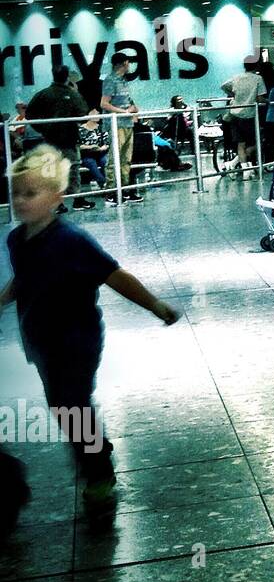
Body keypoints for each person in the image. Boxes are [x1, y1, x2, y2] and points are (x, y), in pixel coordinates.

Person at [1, 146, 180, 516]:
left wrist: (155, 305)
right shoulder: (16, 240)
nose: (20, 201)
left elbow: (115, 276)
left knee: (73, 405)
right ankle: (94, 447)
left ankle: (99, 470)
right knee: (62, 407)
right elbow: (25, 279)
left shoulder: (72, 240)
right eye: (16, 192)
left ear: (57, 198)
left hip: (76, 340)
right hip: (41, 341)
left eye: (31, 193)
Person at [26, 65, 92, 211]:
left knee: (53, 171)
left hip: (50, 139)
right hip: (69, 138)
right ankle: (77, 199)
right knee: (73, 169)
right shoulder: (72, 94)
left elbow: (30, 114)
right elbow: (83, 113)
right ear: (67, 76)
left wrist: (43, 128)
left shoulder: (43, 94)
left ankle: (57, 203)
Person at [99, 53, 142, 205]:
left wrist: (133, 109)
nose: (129, 65)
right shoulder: (110, 80)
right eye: (128, 62)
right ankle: (111, 192)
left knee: (126, 159)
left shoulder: (123, 81)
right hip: (117, 125)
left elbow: (127, 102)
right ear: (124, 63)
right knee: (114, 159)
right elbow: (104, 104)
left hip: (128, 123)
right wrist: (124, 112)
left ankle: (124, 189)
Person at [221, 60, 267, 173]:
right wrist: (268, 101)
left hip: (235, 115)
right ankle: (237, 164)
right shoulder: (258, 79)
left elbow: (223, 86)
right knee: (257, 142)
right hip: (249, 115)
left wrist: (234, 95)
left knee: (240, 144)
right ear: (256, 66)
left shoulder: (237, 77)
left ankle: (244, 170)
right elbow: (260, 98)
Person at [78, 111, 110, 189]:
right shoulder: (80, 129)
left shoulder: (102, 127)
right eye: (94, 113)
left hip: (101, 153)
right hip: (86, 154)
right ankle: (103, 183)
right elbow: (78, 145)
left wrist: (102, 148)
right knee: (90, 162)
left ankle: (109, 183)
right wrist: (90, 147)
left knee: (105, 161)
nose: (97, 115)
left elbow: (107, 143)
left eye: (98, 114)